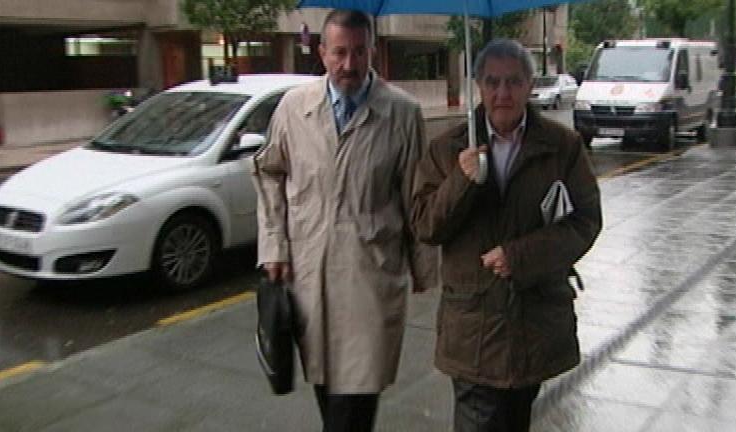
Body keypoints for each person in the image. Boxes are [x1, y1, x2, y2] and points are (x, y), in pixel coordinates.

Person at [252, 9, 436, 432]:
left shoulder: (401, 113)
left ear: (372, 51)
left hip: (369, 281)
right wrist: (274, 246)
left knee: (351, 410)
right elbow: (268, 172)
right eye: (339, 53)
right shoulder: (294, 108)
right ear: (322, 52)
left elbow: (416, 196)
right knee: (329, 397)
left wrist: (424, 269)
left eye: (359, 52)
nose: (349, 64)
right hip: (309, 279)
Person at [411, 39, 602, 432]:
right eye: (492, 82)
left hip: (534, 324)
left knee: (515, 419)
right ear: (478, 86)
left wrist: (520, 256)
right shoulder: (447, 149)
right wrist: (461, 181)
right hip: (473, 327)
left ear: (529, 85)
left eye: (514, 82)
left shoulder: (562, 147)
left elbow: (585, 221)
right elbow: (426, 225)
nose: (503, 93)